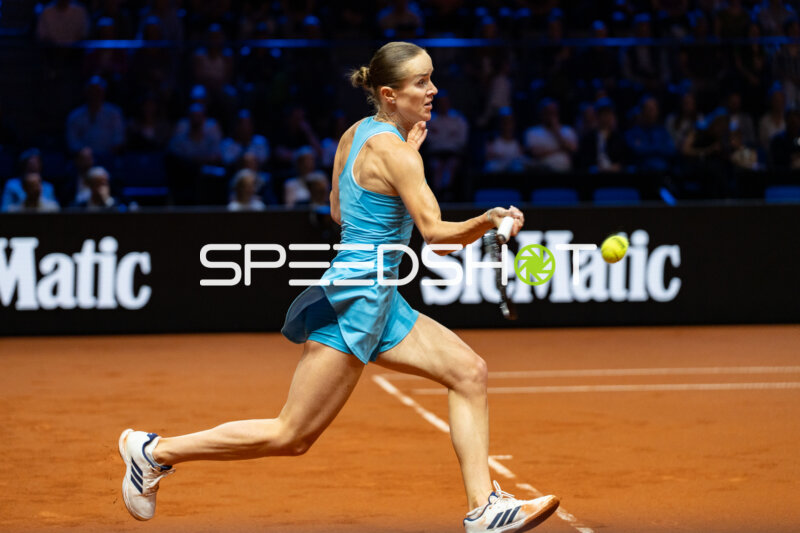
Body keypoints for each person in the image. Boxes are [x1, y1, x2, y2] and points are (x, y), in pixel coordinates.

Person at [118, 41, 559, 533]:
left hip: (378, 294)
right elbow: (436, 237)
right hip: (358, 298)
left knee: (468, 372)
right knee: (292, 434)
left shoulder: (357, 134)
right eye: (421, 82)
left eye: (432, 78)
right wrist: (488, 219)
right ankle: (154, 451)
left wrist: (400, 171)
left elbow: (337, 210)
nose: (433, 89)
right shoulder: (396, 152)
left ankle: (483, 507)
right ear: (390, 95)